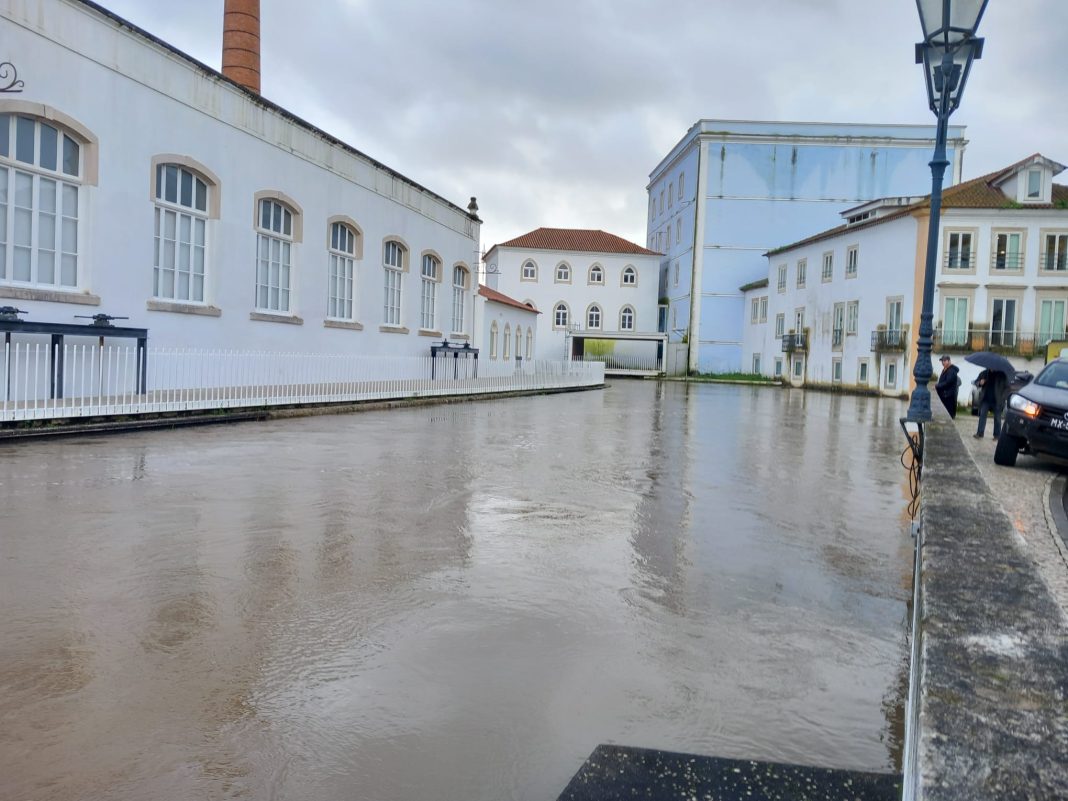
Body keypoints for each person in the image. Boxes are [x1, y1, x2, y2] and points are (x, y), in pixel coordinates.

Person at [974, 368, 1006, 439]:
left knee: (997, 418)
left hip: (997, 400)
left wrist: (1003, 397)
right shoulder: (984, 373)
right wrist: (980, 383)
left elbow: (1007, 387)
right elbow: (976, 382)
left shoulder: (1001, 375)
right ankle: (980, 433)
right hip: (985, 399)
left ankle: (997, 435)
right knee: (982, 416)